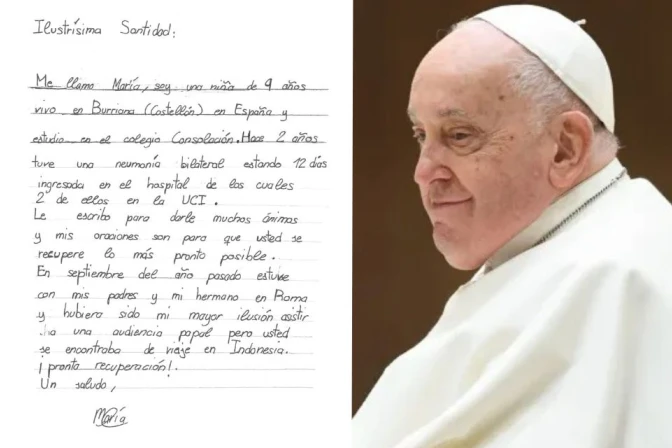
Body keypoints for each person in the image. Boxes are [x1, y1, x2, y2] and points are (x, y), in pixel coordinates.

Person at [352, 4, 672, 448]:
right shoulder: (544, 248)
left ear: (565, 148)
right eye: (421, 135)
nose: (423, 172)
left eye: (459, 135)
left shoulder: (621, 279)